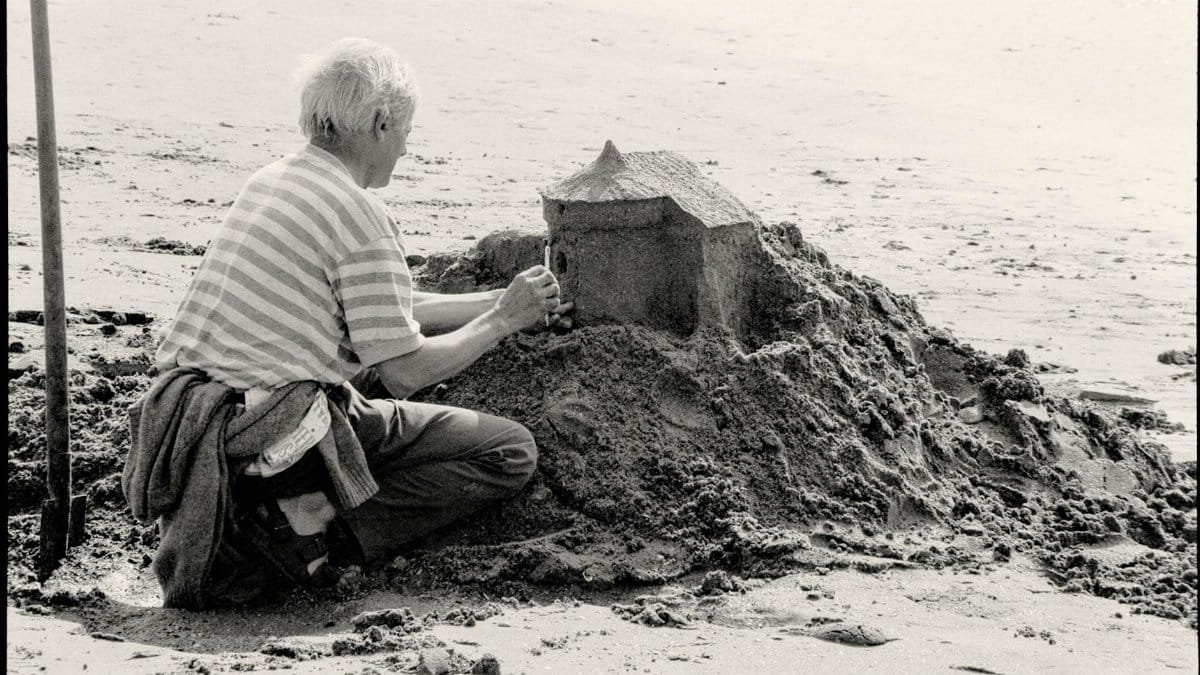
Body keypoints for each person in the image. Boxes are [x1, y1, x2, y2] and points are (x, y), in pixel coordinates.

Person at [140, 37, 571, 598]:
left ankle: (293, 505)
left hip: (201, 420)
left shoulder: (273, 179)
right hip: (269, 431)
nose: (407, 151)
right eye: (408, 133)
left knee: (361, 374)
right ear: (380, 122)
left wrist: (500, 300)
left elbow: (382, 311)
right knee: (510, 449)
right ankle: (318, 532)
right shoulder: (359, 213)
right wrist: (502, 323)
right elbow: (404, 371)